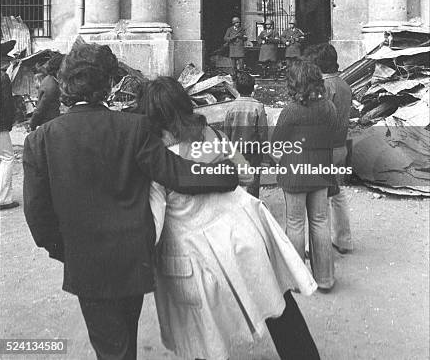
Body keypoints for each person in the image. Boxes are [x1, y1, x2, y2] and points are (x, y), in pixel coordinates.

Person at [23, 43, 239, 360]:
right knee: (125, 338)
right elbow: (177, 174)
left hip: (86, 263)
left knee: (111, 347)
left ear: (66, 84)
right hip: (131, 259)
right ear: (110, 84)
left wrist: (65, 250)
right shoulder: (134, 128)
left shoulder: (40, 139)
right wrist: (225, 172)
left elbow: (37, 216)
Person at [142, 76, 320, 360]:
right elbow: (247, 173)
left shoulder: (157, 160)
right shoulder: (212, 135)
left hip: (197, 254)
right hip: (243, 234)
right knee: (278, 305)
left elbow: (155, 220)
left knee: (203, 333)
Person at [271, 59, 337, 292]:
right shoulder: (329, 107)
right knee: (320, 222)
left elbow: (276, 143)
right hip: (320, 170)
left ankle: (299, 280)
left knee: (295, 224)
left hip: (295, 173)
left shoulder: (290, 110)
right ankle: (325, 279)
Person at [303, 43, 353, 254]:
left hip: (322, 149)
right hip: (340, 146)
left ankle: (312, 246)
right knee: (337, 194)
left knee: (315, 200)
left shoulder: (323, 88)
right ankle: (343, 240)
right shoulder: (344, 85)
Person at [224, 70, 268, 198]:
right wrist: (265, 156)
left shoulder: (231, 107)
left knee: (236, 180)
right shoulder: (258, 107)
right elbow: (263, 132)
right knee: (253, 181)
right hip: (253, 151)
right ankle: (253, 207)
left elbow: (227, 131)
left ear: (236, 88)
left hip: (235, 150)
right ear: (253, 88)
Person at [0, 40, 19, 210]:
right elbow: (6, 104)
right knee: (7, 157)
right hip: (0, 125)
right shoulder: (2, 77)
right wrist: (8, 123)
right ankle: (4, 198)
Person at [30, 52, 64, 130]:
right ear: (58, 70)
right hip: (49, 124)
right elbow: (41, 108)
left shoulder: (49, 79)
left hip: (50, 122)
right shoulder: (51, 87)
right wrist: (33, 124)